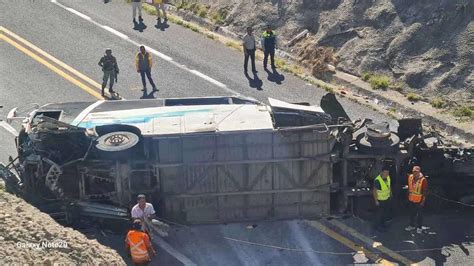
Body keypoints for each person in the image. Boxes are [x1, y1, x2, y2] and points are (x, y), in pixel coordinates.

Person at [405, 166, 428, 234]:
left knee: (419, 215)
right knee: (412, 213)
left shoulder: (423, 180)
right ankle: (412, 225)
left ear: (419, 172)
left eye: (416, 172)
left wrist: (423, 201)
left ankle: (419, 227)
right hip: (411, 199)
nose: (415, 173)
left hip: (419, 200)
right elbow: (410, 186)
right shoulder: (410, 177)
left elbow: (425, 192)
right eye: (414, 171)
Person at [373, 166, 392, 232]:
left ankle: (383, 224)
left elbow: (389, 187)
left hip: (386, 198)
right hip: (380, 200)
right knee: (379, 214)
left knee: (384, 213)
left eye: (387, 173)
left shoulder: (388, 177)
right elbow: (374, 191)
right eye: (385, 173)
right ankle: (377, 226)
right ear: (382, 172)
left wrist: (390, 194)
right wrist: (376, 201)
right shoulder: (377, 180)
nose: (386, 175)